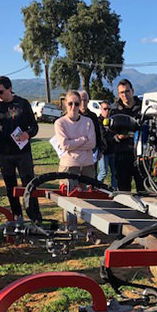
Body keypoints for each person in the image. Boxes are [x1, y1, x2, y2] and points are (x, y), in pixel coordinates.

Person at [0, 76, 41, 221]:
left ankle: (35, 217)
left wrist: (27, 134)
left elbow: (34, 126)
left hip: (23, 153)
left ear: (10, 89)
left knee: (29, 185)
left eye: (1, 92)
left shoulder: (22, 103)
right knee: (11, 187)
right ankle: (17, 217)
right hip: (3, 153)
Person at [54, 90, 97, 240]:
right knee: (69, 199)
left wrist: (75, 143)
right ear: (65, 104)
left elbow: (92, 143)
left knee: (89, 199)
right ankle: (71, 231)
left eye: (77, 103)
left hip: (87, 165)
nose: (73, 107)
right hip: (69, 166)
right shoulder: (60, 123)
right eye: (70, 103)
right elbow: (64, 145)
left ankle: (90, 231)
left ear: (81, 104)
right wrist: (82, 140)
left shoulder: (88, 122)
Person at [108, 79, 144, 192]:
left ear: (132, 91)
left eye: (127, 91)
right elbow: (108, 135)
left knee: (143, 190)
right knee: (124, 191)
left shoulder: (144, 108)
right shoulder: (114, 111)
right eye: (121, 93)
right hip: (122, 155)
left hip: (141, 156)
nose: (125, 95)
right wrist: (118, 138)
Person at [79, 90, 105, 167]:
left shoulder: (93, 116)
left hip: (92, 151)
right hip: (78, 151)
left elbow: (97, 133)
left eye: (85, 100)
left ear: (88, 101)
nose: (83, 102)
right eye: (81, 100)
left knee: (91, 175)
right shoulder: (74, 116)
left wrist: (100, 149)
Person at [97, 101, 113, 186]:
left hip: (112, 150)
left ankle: (114, 190)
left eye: (109, 109)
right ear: (101, 109)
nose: (107, 111)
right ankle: (97, 186)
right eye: (105, 109)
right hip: (103, 151)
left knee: (115, 172)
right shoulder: (98, 121)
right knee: (103, 172)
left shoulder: (112, 120)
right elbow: (101, 136)